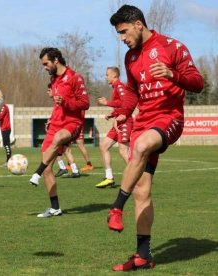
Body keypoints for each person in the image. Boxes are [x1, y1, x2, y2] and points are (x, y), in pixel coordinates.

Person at [106, 5, 204, 271]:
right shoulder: (130, 58)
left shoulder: (173, 47)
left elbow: (198, 82)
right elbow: (132, 93)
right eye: (119, 34)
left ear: (139, 24)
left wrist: (173, 74)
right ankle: (143, 255)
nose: (122, 38)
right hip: (143, 121)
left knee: (141, 146)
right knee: (142, 190)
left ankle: (116, 208)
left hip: (169, 118)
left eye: (124, 32)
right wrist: (124, 112)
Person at [30, 47, 89, 218]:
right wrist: (51, 117)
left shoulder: (75, 78)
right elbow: (58, 104)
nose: (45, 67)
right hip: (56, 123)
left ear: (56, 60)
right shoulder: (53, 80)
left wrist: (66, 101)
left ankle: (36, 172)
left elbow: (85, 103)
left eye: (46, 63)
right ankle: (55, 207)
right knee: (49, 168)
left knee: (59, 138)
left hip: (72, 123)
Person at [95, 67, 132, 188]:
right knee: (103, 146)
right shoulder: (115, 87)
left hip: (125, 122)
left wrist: (107, 103)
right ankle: (109, 177)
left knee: (123, 152)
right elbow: (120, 105)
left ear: (114, 76)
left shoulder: (120, 86)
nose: (105, 77)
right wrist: (112, 114)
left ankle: (137, 177)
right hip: (118, 122)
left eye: (107, 75)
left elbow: (125, 102)